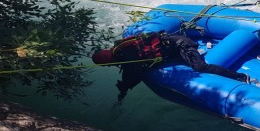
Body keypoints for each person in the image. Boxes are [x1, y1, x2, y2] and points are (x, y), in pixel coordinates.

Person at [92, 32, 251, 101]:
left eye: (105, 64)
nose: (107, 66)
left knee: (200, 67)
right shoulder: (120, 49)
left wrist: (125, 86)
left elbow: (135, 72)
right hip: (171, 48)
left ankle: (240, 77)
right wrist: (124, 87)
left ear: (107, 58)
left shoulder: (125, 53)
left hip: (181, 44)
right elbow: (131, 71)